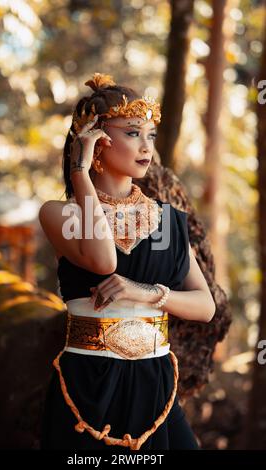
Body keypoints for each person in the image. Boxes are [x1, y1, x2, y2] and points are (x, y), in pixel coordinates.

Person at [38, 72, 216, 451]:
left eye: (150, 135)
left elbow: (205, 307)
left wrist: (148, 293)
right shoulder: (60, 213)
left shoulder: (168, 218)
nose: (146, 146)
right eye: (132, 133)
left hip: (155, 382)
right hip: (89, 383)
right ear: (95, 142)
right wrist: (79, 173)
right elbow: (103, 260)